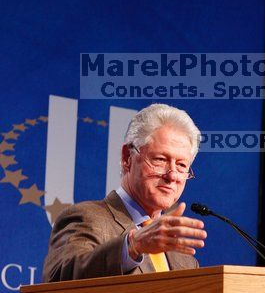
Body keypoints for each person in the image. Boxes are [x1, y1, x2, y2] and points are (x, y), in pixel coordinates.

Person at [42, 103, 207, 282]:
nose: (172, 175)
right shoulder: (87, 218)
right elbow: (59, 278)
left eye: (182, 165)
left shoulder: (184, 259)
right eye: (160, 160)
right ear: (127, 158)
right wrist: (132, 246)